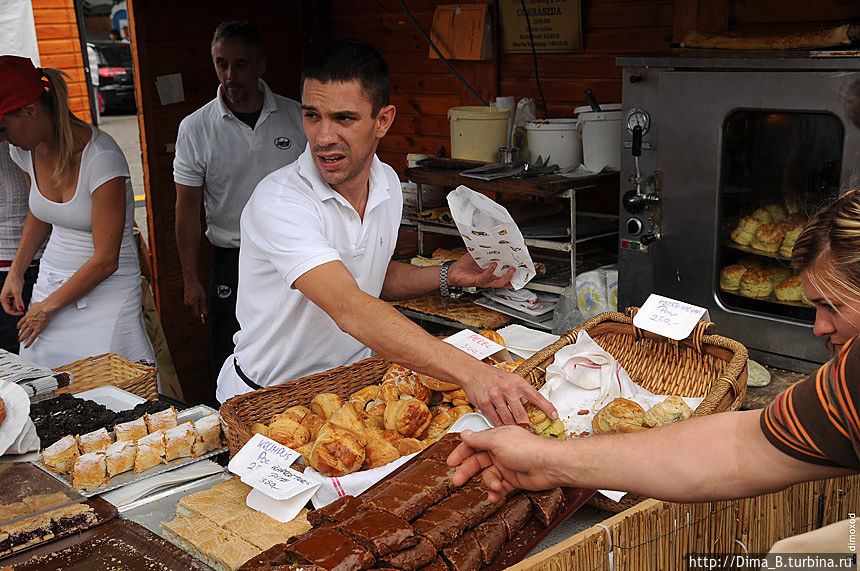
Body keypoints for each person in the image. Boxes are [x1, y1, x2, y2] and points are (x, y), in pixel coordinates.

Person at [448, 189, 860, 552]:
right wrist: (544, 459)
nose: (819, 328)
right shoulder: (849, 380)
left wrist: (546, 459)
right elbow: (741, 447)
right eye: (815, 307)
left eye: (834, 306)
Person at [216, 38, 557, 427]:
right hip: (265, 403)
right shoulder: (280, 201)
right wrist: (473, 372)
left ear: (383, 120)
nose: (324, 136)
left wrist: (447, 275)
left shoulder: (387, 184)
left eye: (344, 118)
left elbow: (372, 275)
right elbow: (348, 306)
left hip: (349, 398)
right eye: (312, 115)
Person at [173, 20, 305, 404]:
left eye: (241, 64)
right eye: (221, 64)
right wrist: (189, 279)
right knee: (231, 352)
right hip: (231, 258)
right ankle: (230, 437)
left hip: (292, 256)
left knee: (292, 348)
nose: (230, 76)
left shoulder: (296, 117)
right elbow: (186, 210)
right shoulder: (195, 128)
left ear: (262, 66)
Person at [0, 55, 154, 369]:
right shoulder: (22, 150)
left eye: (2, 129)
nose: (2, 139)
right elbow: (41, 212)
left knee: (117, 387)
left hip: (107, 294)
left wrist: (46, 308)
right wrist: (16, 272)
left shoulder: (102, 158)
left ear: (30, 110)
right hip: (52, 282)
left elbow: (106, 260)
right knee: (44, 383)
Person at [0, 141, 44, 353]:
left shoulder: (22, 144)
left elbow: (40, 209)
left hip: (23, 268)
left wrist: (16, 272)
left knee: (18, 361)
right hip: (19, 268)